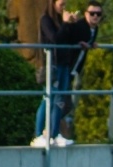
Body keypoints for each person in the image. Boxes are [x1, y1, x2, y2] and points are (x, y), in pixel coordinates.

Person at [31, 0, 79, 148]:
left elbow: (70, 40)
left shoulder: (60, 19)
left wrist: (72, 24)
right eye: (61, 3)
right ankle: (38, 135)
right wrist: (65, 24)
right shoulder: (46, 19)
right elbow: (55, 39)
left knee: (60, 101)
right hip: (52, 65)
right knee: (48, 98)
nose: (63, 7)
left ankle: (54, 133)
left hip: (64, 65)